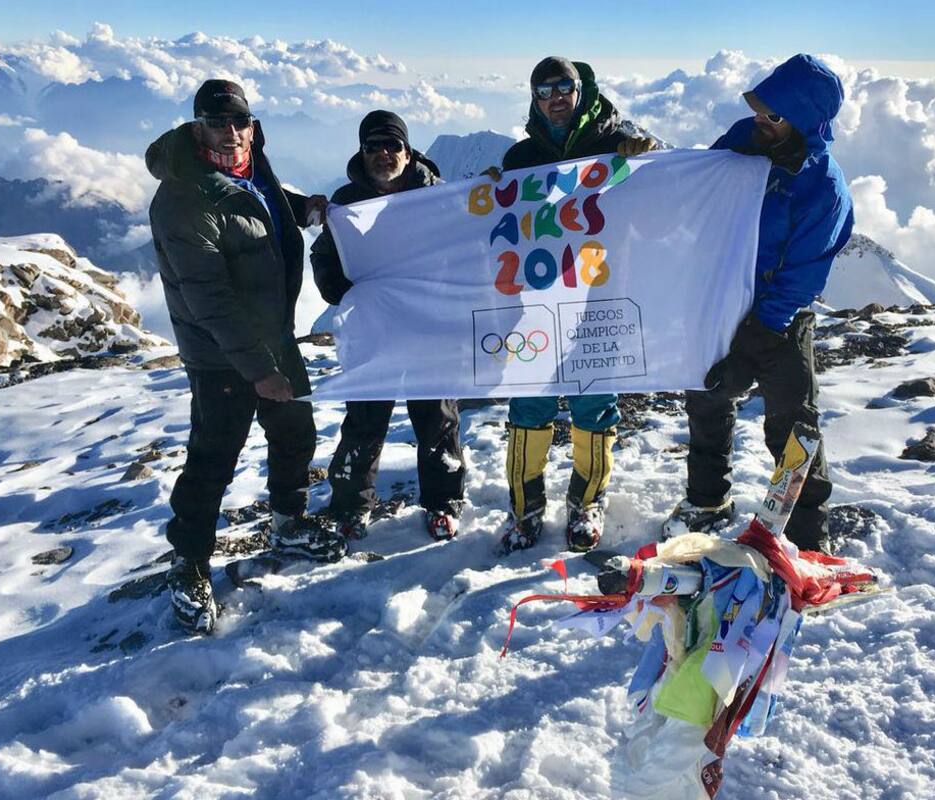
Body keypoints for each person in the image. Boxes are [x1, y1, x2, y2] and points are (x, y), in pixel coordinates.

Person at [147, 79, 328, 633]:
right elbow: (209, 299)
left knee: (295, 431)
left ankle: (287, 523)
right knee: (214, 456)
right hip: (220, 353)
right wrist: (260, 370)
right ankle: (189, 563)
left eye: (239, 121)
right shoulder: (182, 196)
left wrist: (303, 207)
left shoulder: (251, 162)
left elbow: (258, 205)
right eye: (216, 122)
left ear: (251, 124)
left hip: (274, 336)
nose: (230, 132)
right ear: (197, 126)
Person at [663, 54, 854, 553]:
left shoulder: (824, 187)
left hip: (781, 315)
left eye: (773, 115)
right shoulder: (744, 140)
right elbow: (698, 182)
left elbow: (803, 274)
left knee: (793, 420)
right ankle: (707, 501)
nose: (760, 121)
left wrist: (759, 332)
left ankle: (808, 536)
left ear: (804, 120)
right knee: (708, 397)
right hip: (722, 298)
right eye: (759, 109)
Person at [489, 56, 655, 554]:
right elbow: (500, 219)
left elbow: (664, 188)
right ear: (534, 100)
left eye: (564, 87)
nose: (555, 97)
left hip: (599, 297)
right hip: (536, 300)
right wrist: (487, 190)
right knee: (528, 401)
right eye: (544, 91)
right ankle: (525, 507)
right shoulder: (520, 158)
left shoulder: (615, 143)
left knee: (594, 403)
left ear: (581, 91)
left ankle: (587, 503)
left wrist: (646, 156)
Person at [310, 111, 468, 543]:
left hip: (429, 326)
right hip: (374, 329)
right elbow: (323, 255)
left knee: (437, 418)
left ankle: (444, 502)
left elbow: (470, 243)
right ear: (361, 153)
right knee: (365, 418)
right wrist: (339, 290)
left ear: (408, 151)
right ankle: (350, 505)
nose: (383, 153)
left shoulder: (438, 197)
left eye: (392, 145)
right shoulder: (347, 202)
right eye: (373, 146)